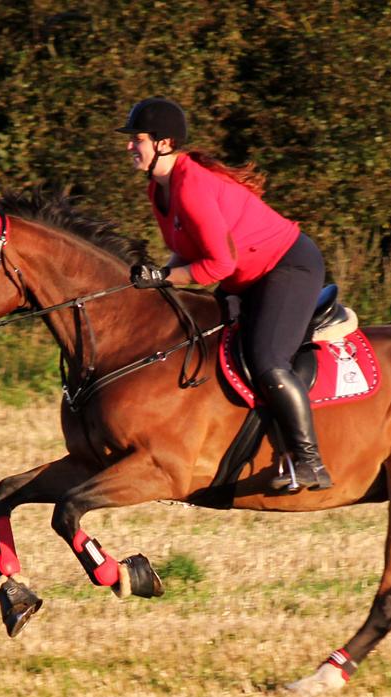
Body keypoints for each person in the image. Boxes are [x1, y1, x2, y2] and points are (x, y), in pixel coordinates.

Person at [118, 97, 332, 491]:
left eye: (139, 139)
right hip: (246, 273)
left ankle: (310, 462)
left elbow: (218, 266)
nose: (131, 146)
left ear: (164, 144)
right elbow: (186, 246)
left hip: (287, 266)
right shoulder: (158, 188)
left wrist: (165, 276)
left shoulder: (192, 186)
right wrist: (161, 279)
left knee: (267, 360)